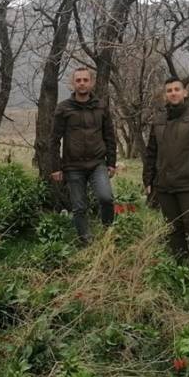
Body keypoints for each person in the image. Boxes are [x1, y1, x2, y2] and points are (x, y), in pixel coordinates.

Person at [142, 77, 189, 269]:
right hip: (164, 185)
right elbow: (151, 153)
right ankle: (179, 267)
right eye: (169, 90)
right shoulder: (158, 120)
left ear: (185, 93)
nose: (173, 93)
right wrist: (148, 179)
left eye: (177, 89)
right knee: (173, 227)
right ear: (165, 95)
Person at [49, 66, 117, 244]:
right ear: (73, 83)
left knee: (106, 198)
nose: (82, 83)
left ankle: (107, 231)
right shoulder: (63, 108)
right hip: (73, 166)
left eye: (85, 80)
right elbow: (54, 139)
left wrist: (112, 162)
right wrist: (56, 167)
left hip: (97, 164)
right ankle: (86, 240)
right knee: (79, 207)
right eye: (78, 80)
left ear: (91, 82)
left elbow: (110, 135)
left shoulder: (101, 106)